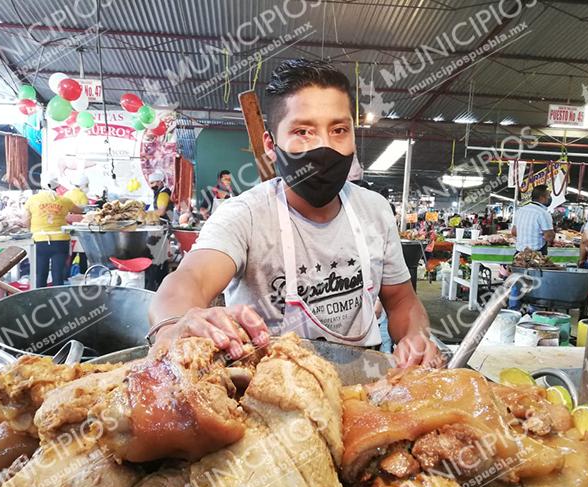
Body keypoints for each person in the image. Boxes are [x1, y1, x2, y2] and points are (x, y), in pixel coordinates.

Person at [149, 58, 442, 368]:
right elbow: (189, 279)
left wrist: (416, 336)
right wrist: (175, 323)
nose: (325, 147)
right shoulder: (245, 215)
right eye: (303, 132)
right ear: (271, 146)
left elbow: (400, 301)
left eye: (339, 130)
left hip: (364, 387)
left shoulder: (375, 209)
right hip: (273, 392)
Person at [25, 175, 82, 287]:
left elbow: (26, 220)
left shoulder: (32, 199)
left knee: (40, 275)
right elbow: (79, 210)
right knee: (58, 275)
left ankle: (40, 300)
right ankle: (57, 301)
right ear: (57, 186)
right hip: (60, 242)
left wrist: (31, 230)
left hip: (39, 242)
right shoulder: (64, 200)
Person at [509, 185, 555, 309]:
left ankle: (513, 310)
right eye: (548, 196)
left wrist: (526, 235)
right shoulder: (543, 213)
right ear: (542, 197)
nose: (550, 198)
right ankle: (532, 312)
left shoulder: (520, 210)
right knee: (535, 284)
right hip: (537, 255)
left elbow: (513, 232)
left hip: (519, 254)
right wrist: (552, 234)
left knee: (517, 282)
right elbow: (548, 236)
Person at [145, 169, 172, 290]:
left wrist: (145, 214)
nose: (152, 186)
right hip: (160, 229)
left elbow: (161, 211)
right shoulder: (160, 192)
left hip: (162, 229)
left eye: (154, 183)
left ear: (160, 182)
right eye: (151, 183)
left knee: (157, 258)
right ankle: (159, 284)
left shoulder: (163, 193)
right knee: (160, 258)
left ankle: (155, 285)